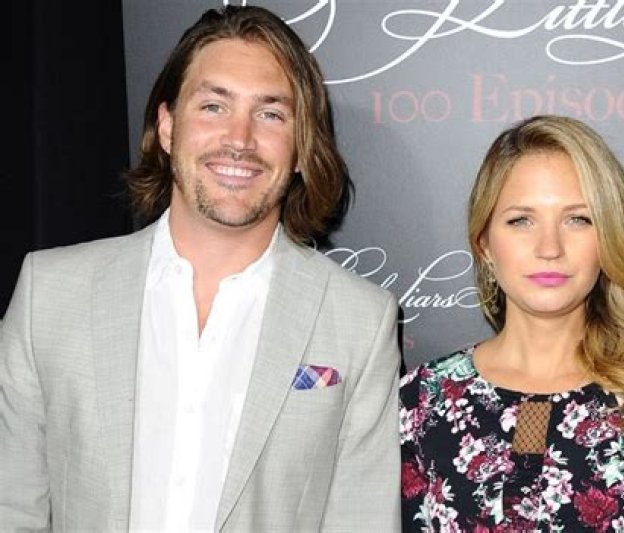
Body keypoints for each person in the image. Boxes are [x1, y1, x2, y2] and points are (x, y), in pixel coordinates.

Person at [1, 5, 401, 531]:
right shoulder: (49, 296)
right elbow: (12, 507)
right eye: (214, 106)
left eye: (271, 114)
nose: (239, 138)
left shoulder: (360, 323)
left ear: (302, 145)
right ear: (168, 127)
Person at [400, 115, 624, 531]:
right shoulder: (422, 400)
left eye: (578, 219)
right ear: (485, 245)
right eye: (521, 220)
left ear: (608, 238)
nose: (549, 248)